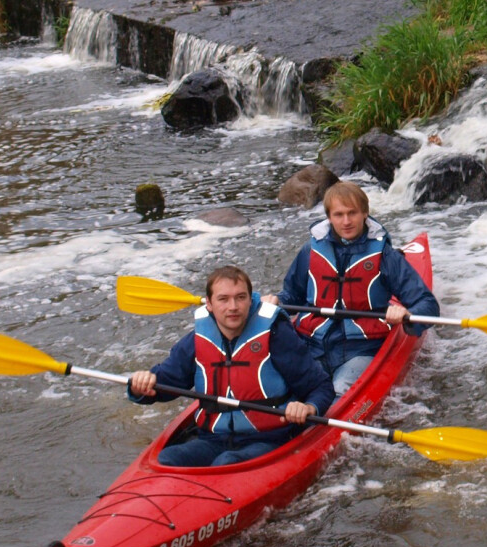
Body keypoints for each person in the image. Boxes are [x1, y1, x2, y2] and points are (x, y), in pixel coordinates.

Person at [127, 265, 335, 467]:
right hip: (212, 439)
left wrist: (307, 407)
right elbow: (164, 383)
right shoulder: (197, 341)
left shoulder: (276, 335)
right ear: (209, 304)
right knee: (168, 458)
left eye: (240, 297)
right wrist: (141, 386)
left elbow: (321, 387)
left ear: (250, 300)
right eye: (223, 299)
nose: (233, 307)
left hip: (267, 440)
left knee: (226, 462)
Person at [275, 182, 439, 395]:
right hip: (311, 344)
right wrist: (276, 302)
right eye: (339, 214)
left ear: (365, 213)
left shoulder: (385, 256)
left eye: (352, 213)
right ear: (329, 217)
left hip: (361, 348)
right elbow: (292, 296)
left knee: (339, 390)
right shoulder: (310, 251)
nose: (346, 221)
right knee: (281, 387)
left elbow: (427, 304)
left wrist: (407, 315)